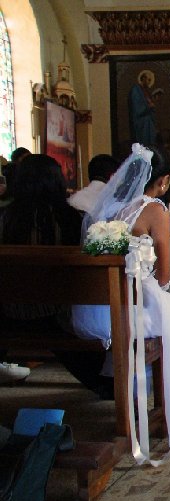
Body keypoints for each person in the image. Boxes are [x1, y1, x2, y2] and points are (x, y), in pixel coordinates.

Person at [72, 144, 170, 450]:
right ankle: (169, 411)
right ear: (165, 180)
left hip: (92, 307)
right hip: (130, 303)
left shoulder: (107, 208)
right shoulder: (155, 210)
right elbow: (165, 275)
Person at [0, 155, 83, 385]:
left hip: (8, 311)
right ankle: (104, 383)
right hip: (56, 314)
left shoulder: (5, 218)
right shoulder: (70, 219)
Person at [128, 70, 161, 146]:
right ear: (143, 78)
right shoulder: (136, 90)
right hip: (141, 122)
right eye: (148, 79)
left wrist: (152, 103)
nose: (149, 82)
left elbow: (149, 104)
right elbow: (136, 108)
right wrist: (149, 107)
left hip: (149, 122)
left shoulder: (146, 91)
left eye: (150, 80)